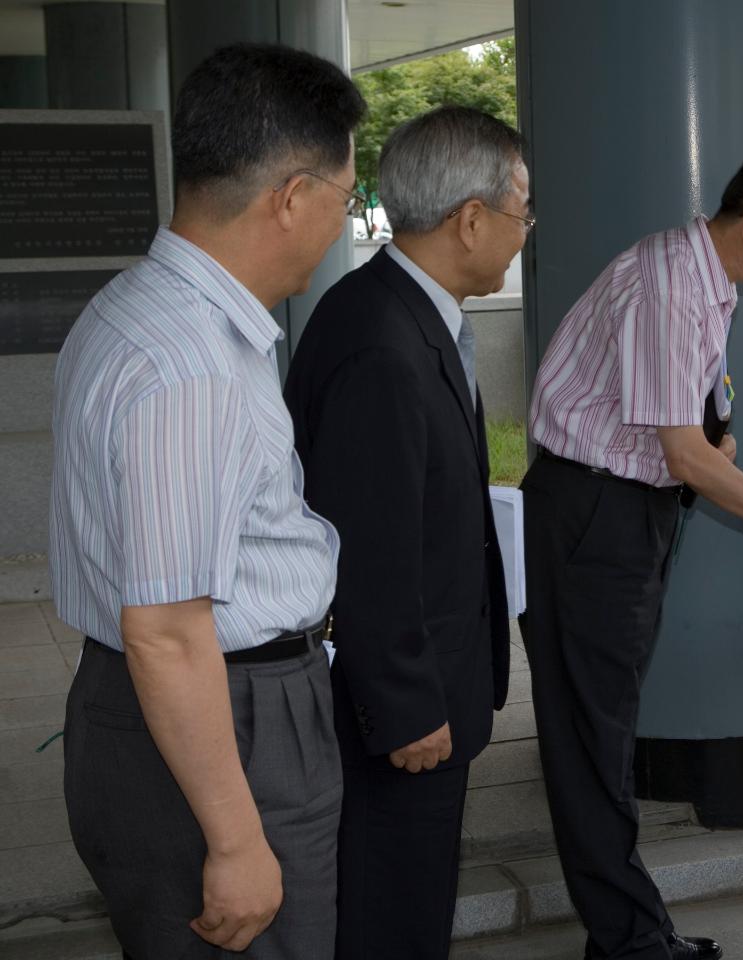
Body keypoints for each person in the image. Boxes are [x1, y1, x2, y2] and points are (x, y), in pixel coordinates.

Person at [49, 43, 366, 959]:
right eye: (344, 202)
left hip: (168, 708)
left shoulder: (130, 310)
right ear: (292, 196)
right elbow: (168, 628)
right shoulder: (188, 365)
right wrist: (234, 841)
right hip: (220, 728)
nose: (340, 227)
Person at [521, 144, 743, 960]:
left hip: (622, 510)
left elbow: (684, 433)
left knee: (602, 729)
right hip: (595, 517)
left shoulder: (701, 277)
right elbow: (680, 452)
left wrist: (712, 444)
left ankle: (631, 930)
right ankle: (631, 942)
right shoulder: (673, 286)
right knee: (593, 739)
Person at [284, 106, 519, 960]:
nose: (524, 233)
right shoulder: (382, 340)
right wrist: (408, 707)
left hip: (427, 688)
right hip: (401, 713)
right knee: (393, 915)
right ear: (470, 219)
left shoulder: (409, 316)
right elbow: (370, 549)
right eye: (522, 213)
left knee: (414, 904)